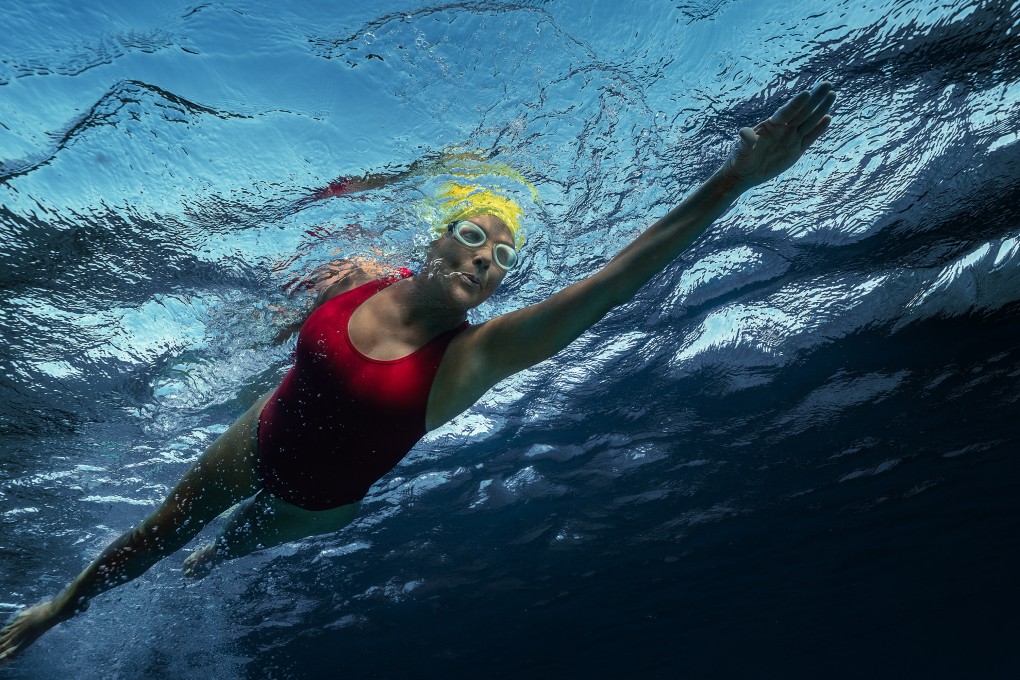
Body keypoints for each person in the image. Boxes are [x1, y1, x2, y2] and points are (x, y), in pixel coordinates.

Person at [0, 81, 836, 663]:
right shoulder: (367, 273)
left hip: (313, 505)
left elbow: (615, 280)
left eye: (501, 258)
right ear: (435, 240)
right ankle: (56, 610)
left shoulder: (476, 355)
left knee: (214, 555)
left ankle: (206, 569)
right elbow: (294, 311)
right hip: (258, 436)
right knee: (162, 528)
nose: (485, 258)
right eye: (473, 236)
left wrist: (731, 181)